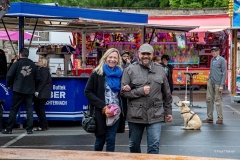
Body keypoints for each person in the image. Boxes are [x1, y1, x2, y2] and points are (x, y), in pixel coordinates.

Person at [121, 44, 173, 154]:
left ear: (152, 55)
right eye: (143, 54)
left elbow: (167, 93)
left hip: (156, 114)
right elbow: (123, 93)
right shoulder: (130, 69)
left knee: (154, 146)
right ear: (138, 55)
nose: (145, 56)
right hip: (136, 115)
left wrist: (168, 111)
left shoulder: (160, 70)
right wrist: (140, 91)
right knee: (134, 145)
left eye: (148, 54)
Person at [84, 48, 124, 152]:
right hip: (100, 111)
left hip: (116, 112)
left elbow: (123, 92)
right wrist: (103, 106)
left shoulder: (121, 74)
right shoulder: (97, 73)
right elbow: (88, 92)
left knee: (111, 139)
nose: (112, 60)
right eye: (110, 57)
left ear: (118, 59)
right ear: (105, 58)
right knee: (100, 140)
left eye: (115, 57)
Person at [2, 48, 41, 134]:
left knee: (13, 110)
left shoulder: (17, 64)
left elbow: (9, 75)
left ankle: (9, 129)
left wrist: (9, 85)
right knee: (29, 109)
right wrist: (34, 87)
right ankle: (29, 129)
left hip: (18, 90)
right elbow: (38, 78)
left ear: (20, 54)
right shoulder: (33, 65)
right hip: (29, 91)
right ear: (27, 54)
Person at [202, 46, 226, 124]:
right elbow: (211, 70)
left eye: (215, 51)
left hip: (218, 83)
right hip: (211, 82)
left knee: (218, 100)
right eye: (212, 51)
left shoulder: (222, 60)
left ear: (218, 51)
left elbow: (224, 73)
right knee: (208, 99)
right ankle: (210, 117)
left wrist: (222, 84)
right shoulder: (212, 60)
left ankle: (220, 118)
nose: (214, 52)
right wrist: (209, 79)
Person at [33, 58, 52, 131]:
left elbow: (42, 82)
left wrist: (37, 91)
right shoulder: (43, 69)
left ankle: (43, 125)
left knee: (39, 109)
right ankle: (44, 124)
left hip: (42, 93)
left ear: (43, 63)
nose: (38, 62)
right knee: (39, 108)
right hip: (43, 93)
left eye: (39, 61)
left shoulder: (43, 70)